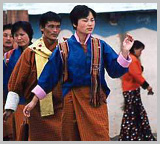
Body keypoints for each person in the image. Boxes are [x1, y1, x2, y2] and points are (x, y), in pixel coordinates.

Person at [23, 5, 134, 141]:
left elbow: (115, 71)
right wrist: (33, 101)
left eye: (92, 20)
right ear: (75, 23)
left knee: (100, 136)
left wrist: (125, 51)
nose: (90, 24)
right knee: (72, 137)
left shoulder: (100, 45)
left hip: (96, 100)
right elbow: (49, 76)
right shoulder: (63, 48)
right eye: (85, 20)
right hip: (71, 100)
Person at [4, 12, 63, 141]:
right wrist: (10, 107)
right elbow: (17, 79)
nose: (55, 30)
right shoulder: (31, 52)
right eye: (51, 26)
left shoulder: (64, 49)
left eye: (57, 27)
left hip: (61, 107)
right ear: (42, 28)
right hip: (36, 109)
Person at [118, 40, 156, 141]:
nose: (141, 53)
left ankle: (133, 137)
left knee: (134, 114)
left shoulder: (130, 59)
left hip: (129, 90)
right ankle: (136, 137)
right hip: (131, 91)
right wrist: (147, 86)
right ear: (134, 49)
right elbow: (136, 75)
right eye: (140, 50)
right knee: (133, 114)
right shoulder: (132, 59)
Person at [3, 21, 34, 141]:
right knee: (20, 135)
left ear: (29, 34)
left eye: (22, 34)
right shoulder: (9, 56)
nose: (19, 38)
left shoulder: (39, 52)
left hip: (36, 102)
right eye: (16, 35)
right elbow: (6, 82)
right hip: (17, 102)